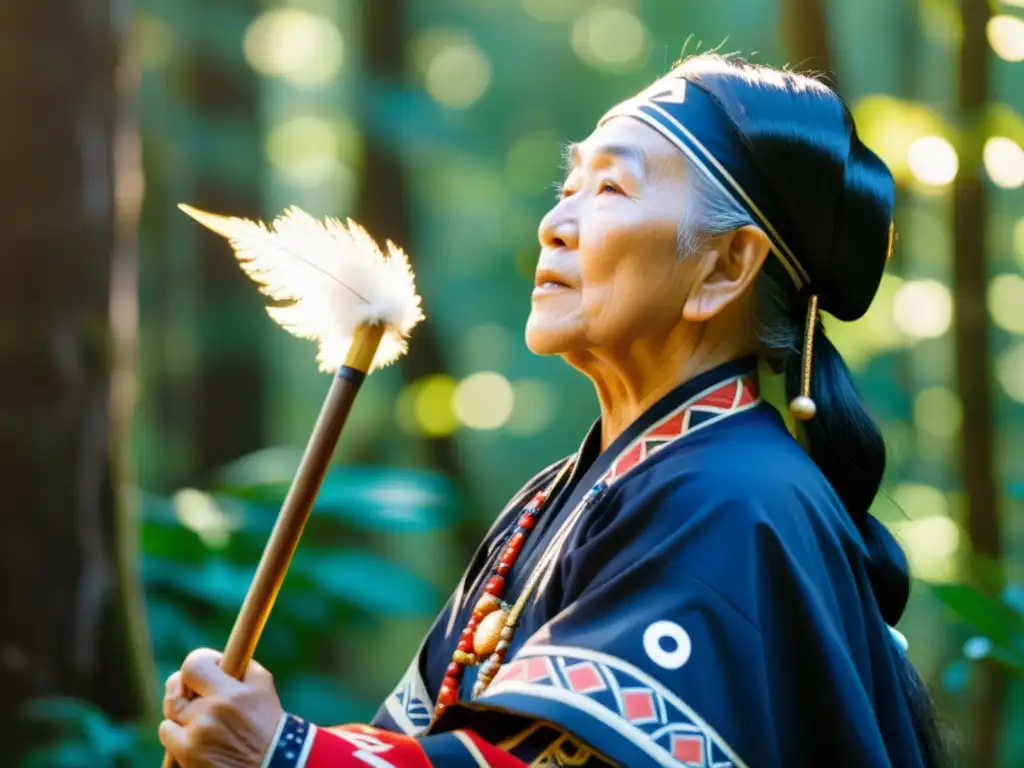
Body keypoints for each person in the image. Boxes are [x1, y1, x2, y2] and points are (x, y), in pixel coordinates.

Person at [159, 53, 948, 767]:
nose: (555, 224)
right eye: (566, 187)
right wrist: (257, 739)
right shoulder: (553, 500)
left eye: (609, 189)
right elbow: (428, 743)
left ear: (726, 265)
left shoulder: (738, 501)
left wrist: (284, 754)